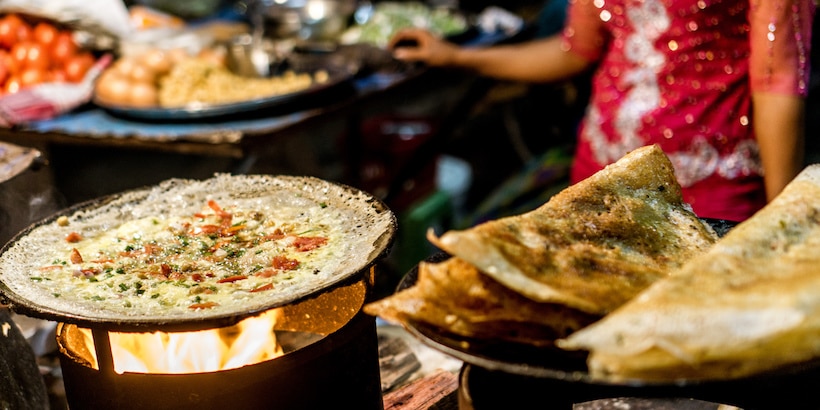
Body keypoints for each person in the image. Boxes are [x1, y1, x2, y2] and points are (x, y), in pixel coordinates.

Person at [388, 0, 815, 222]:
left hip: (707, 188)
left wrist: (782, 222)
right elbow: (574, 51)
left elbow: (777, 82)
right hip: (600, 174)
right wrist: (457, 57)